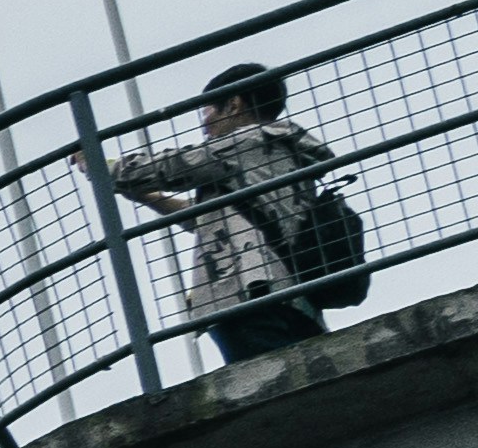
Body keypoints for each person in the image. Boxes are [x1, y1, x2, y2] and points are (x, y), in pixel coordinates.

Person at [98, 63, 361, 369]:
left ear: (233, 103)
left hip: (248, 293)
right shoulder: (283, 152)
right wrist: (150, 198)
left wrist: (98, 164)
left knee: (267, 388)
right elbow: (215, 219)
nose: (204, 124)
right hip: (296, 301)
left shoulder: (244, 141)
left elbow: (164, 168)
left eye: (207, 111)